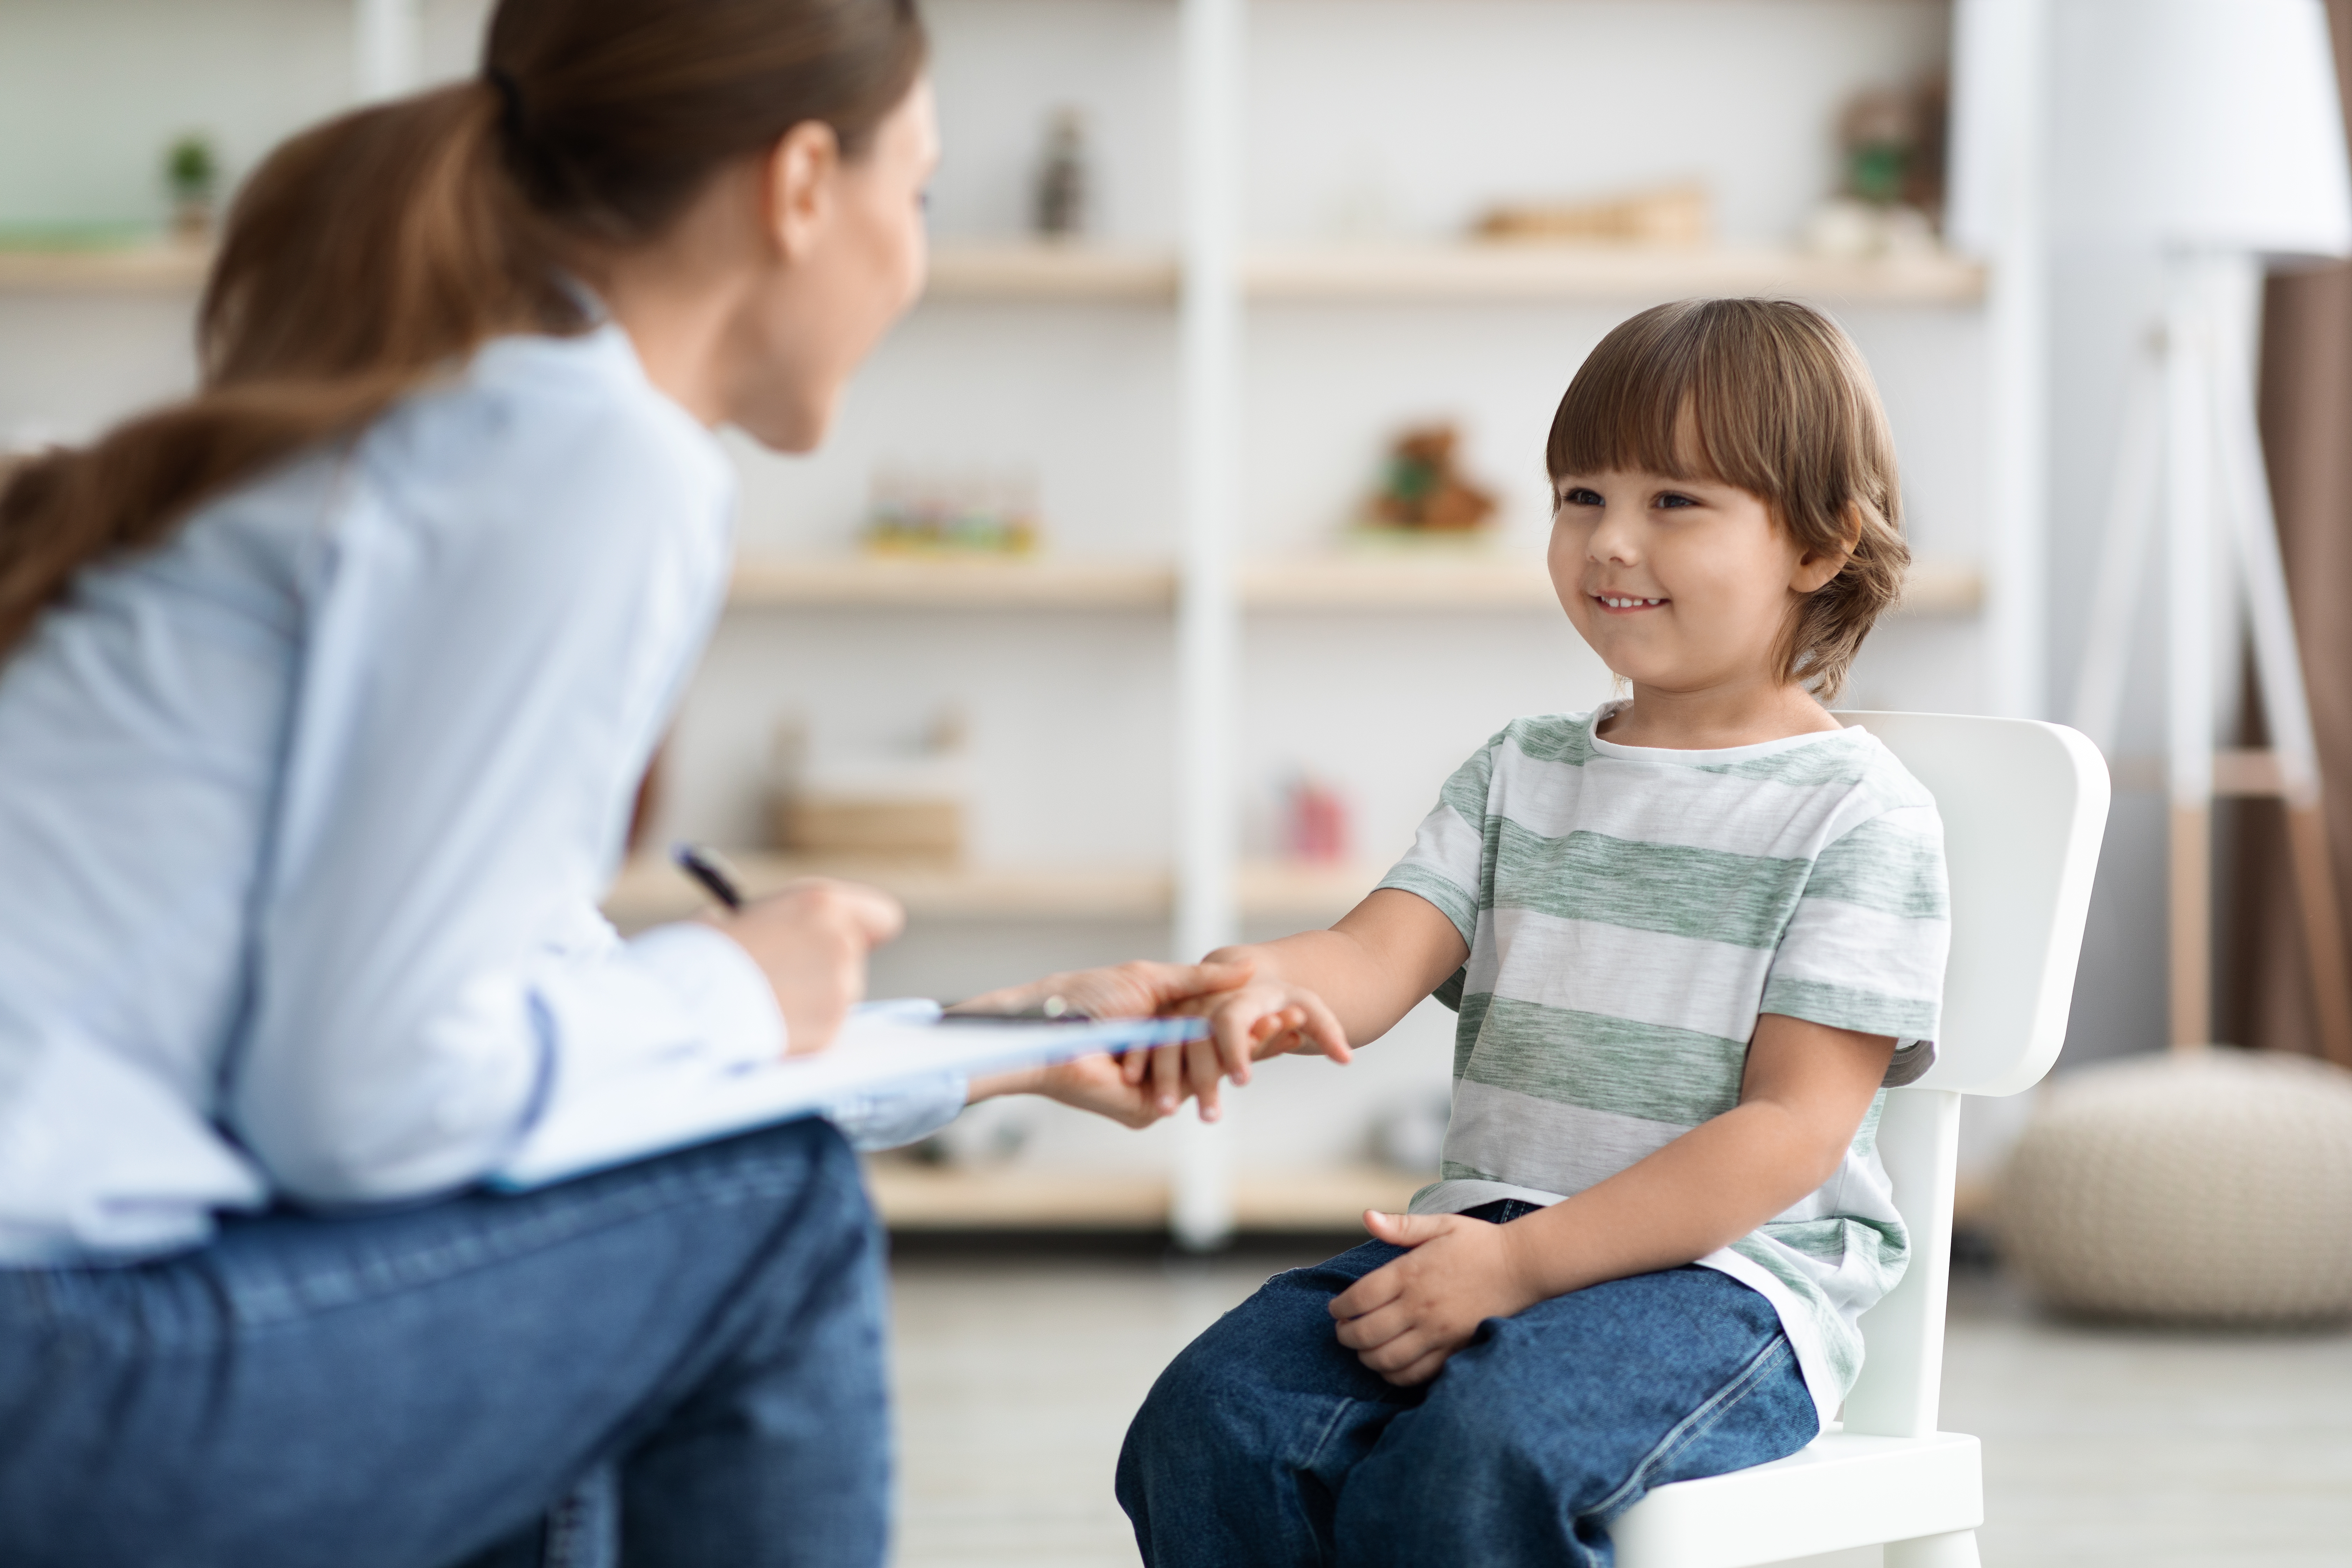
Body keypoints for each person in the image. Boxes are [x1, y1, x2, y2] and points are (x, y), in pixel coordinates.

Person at [0, 3, 1234, 1564]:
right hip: (47, 1348)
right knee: (763, 1204)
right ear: (800, 185)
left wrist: (986, 1042)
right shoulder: (593, 455)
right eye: (911, 195)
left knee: (596, 1206)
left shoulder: (440, 418)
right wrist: (727, 980)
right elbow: (366, 1106)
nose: (912, 260)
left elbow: (510, 1021)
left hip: (52, 1310)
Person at [1113, 298, 1953, 1568]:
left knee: (1481, 1454)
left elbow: (1791, 1135)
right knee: (1213, 1417)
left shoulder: (1861, 813)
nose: (1611, 542)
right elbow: (1375, 956)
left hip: (1730, 1286)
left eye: (1676, 502)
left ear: (1822, 545)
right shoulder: (1522, 771)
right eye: (1579, 497)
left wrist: (1524, 1271)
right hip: (1492, 1232)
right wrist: (1254, 978)